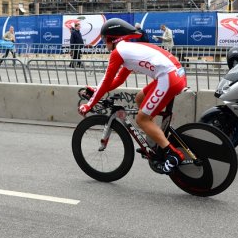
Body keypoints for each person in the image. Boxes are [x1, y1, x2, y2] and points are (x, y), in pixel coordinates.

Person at [78, 18, 187, 174]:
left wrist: (89, 105)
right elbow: (116, 81)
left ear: (112, 38)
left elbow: (106, 80)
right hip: (174, 74)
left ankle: (174, 155)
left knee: (141, 119)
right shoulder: (128, 51)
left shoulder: (118, 53)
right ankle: (154, 138)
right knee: (139, 99)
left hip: (168, 77)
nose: (104, 44)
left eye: (104, 39)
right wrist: (96, 90)